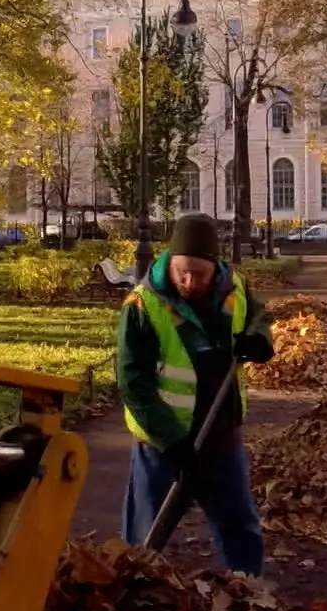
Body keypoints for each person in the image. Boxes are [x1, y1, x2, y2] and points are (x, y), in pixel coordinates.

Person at [117, 213, 274, 575]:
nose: (188, 281)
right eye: (181, 272)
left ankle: (247, 594)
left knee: (239, 527)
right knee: (144, 535)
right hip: (163, 446)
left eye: (198, 275)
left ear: (215, 266)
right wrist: (170, 439)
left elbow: (258, 318)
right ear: (170, 262)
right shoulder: (143, 305)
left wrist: (260, 342)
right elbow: (133, 382)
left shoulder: (235, 287)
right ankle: (129, 595)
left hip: (221, 438)